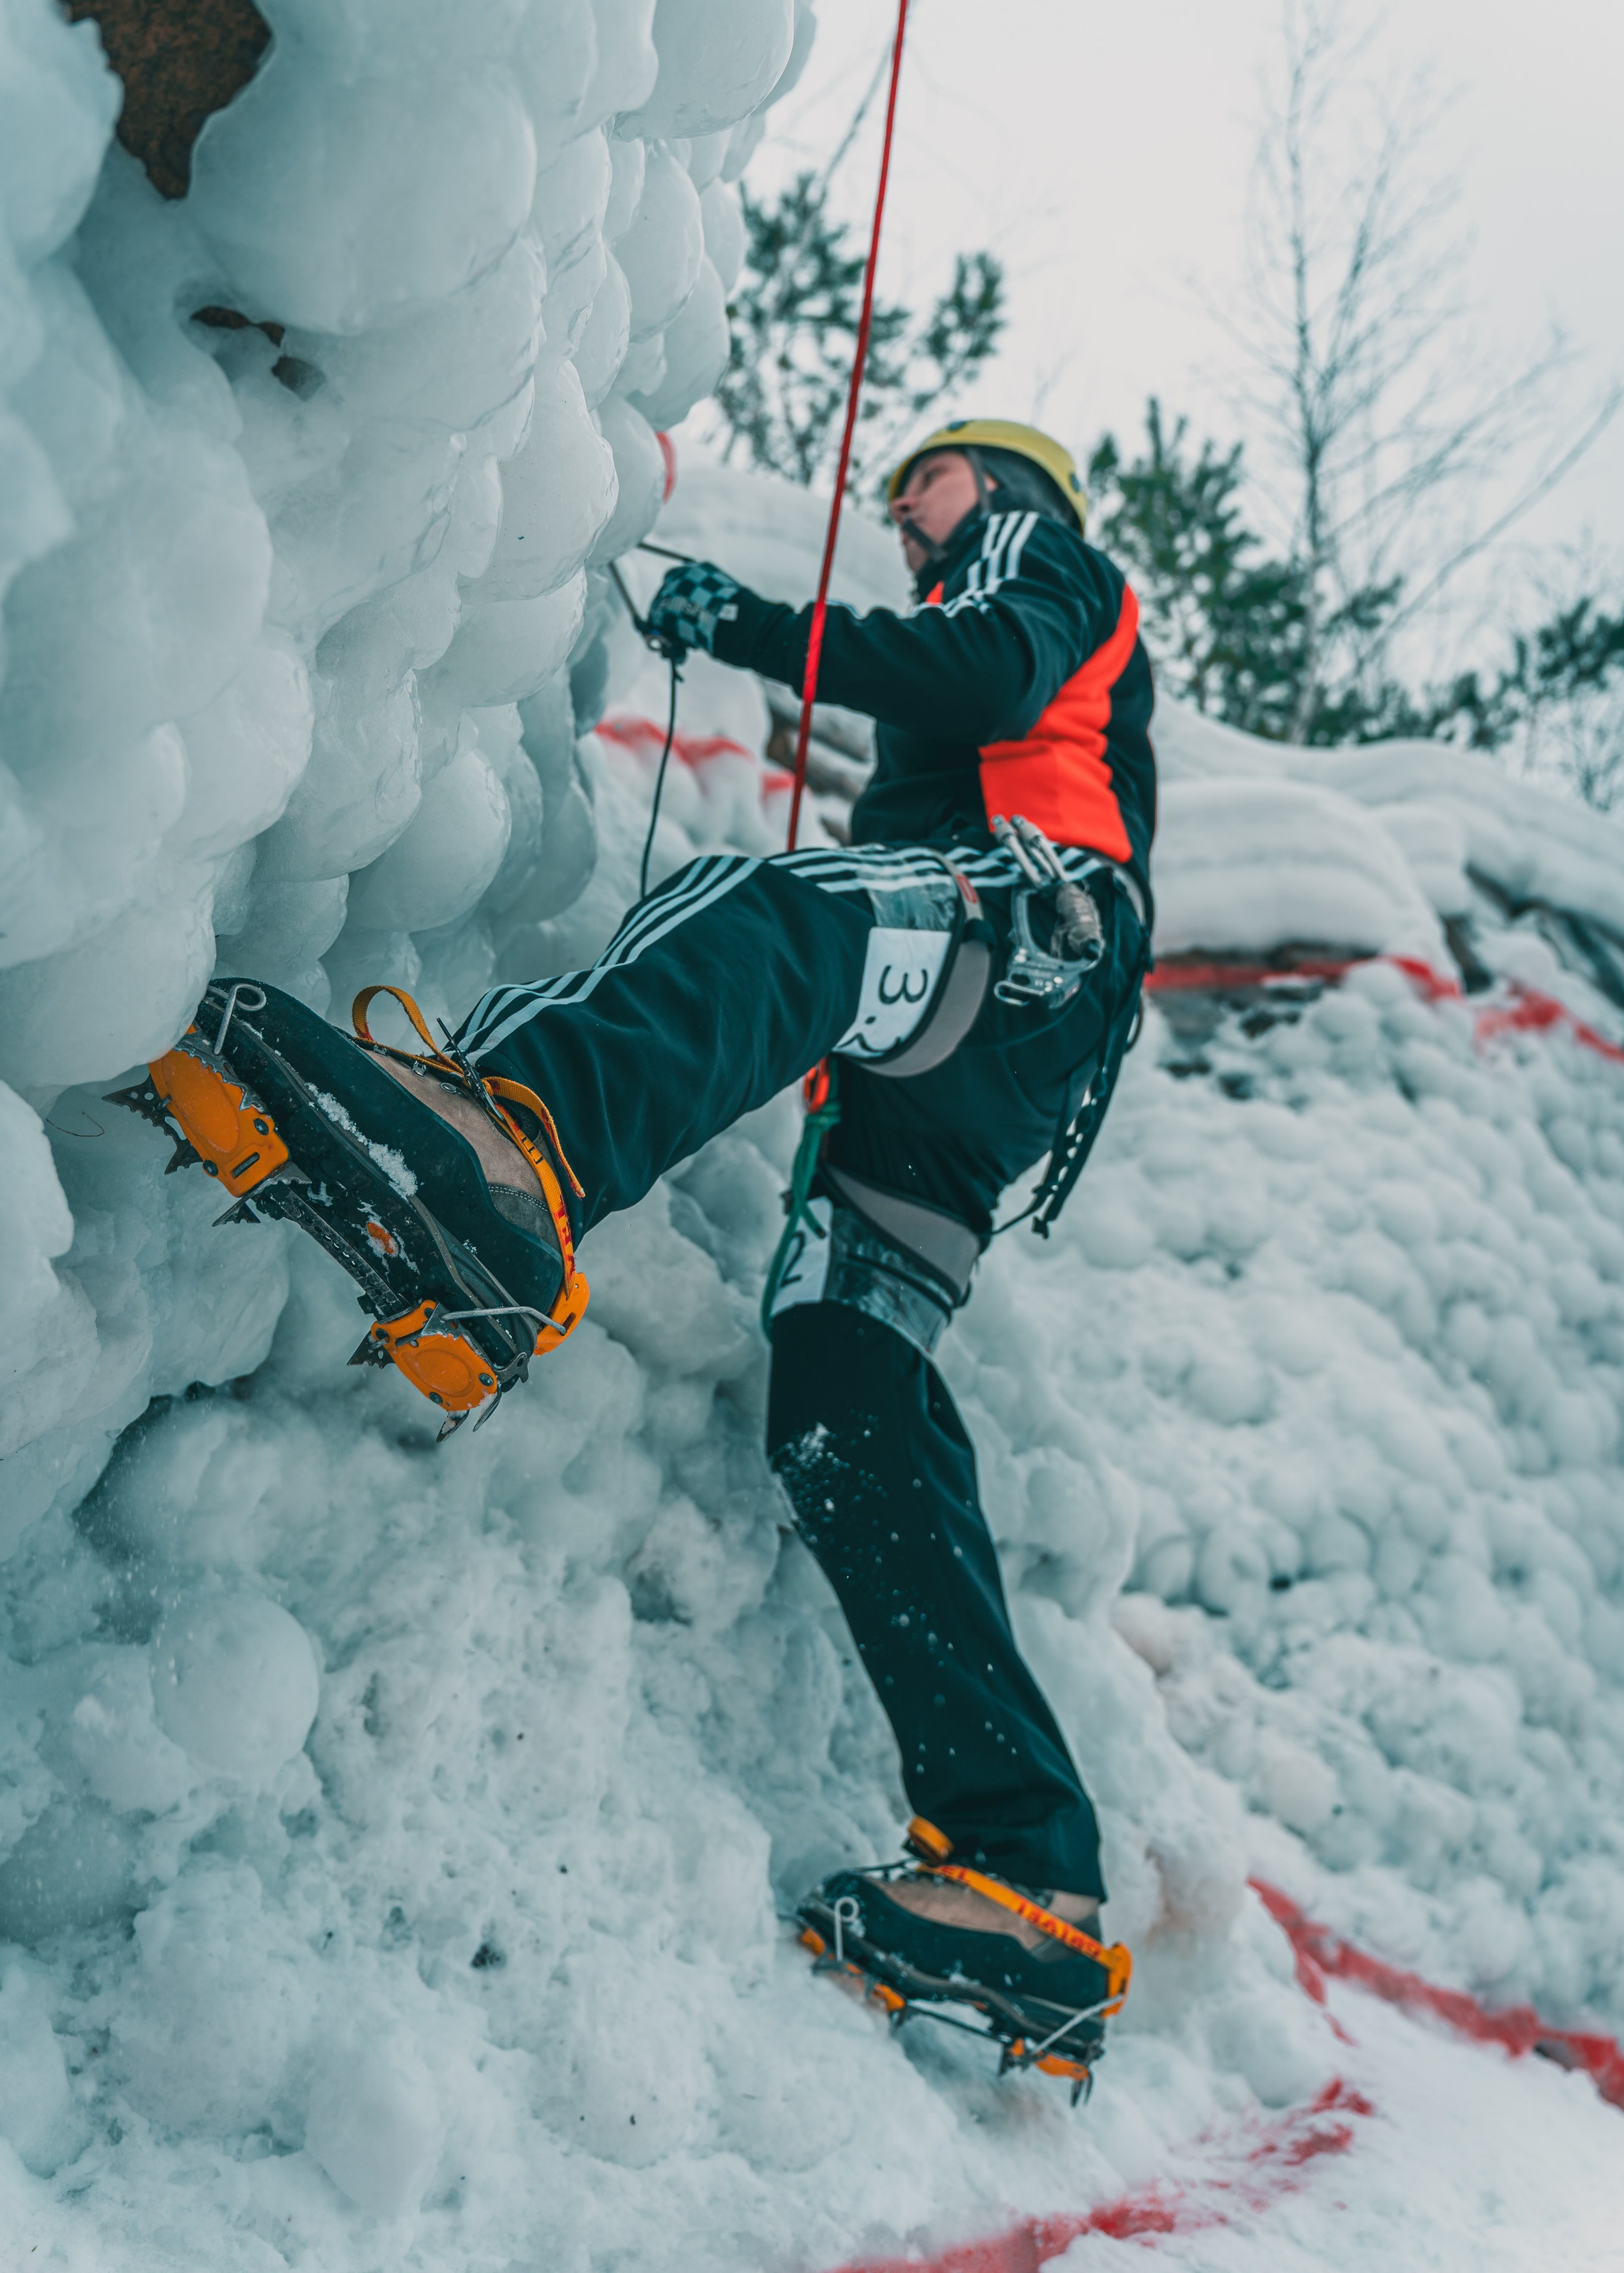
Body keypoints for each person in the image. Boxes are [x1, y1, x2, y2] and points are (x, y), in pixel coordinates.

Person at [129, 419, 1155, 2088]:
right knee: (845, 1396)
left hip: (1032, 928)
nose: (910, 516)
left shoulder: (1039, 560)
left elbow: (984, 666)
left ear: (1011, 487)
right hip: (988, 1068)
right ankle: (1029, 1871)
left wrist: (741, 623)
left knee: (782, 912)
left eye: (931, 485)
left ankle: (507, 1162)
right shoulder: (981, 628)